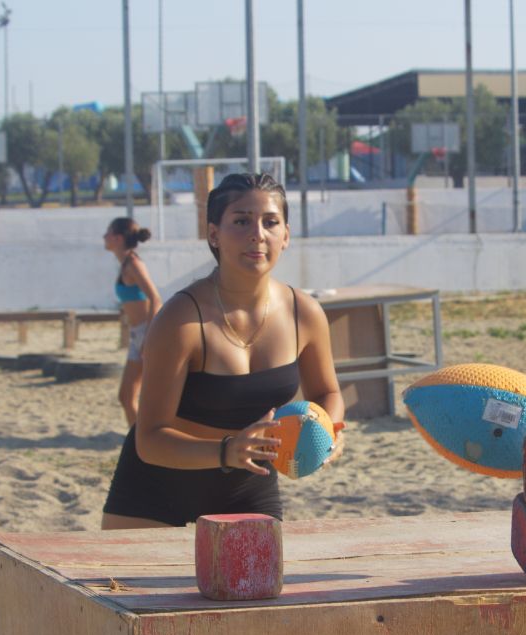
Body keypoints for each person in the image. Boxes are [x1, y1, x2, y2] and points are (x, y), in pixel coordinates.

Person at [101, 172, 345, 530]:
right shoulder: (180, 319)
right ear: (214, 234)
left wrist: (329, 428)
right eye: (242, 221)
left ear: (286, 235)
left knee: (266, 570)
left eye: (270, 222)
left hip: (249, 487)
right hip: (155, 489)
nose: (257, 234)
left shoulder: (304, 313)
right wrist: (227, 450)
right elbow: (149, 439)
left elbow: (327, 392)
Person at [103, 217, 162, 425]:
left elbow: (155, 299)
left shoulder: (134, 264)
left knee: (135, 397)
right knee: (126, 397)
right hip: (138, 335)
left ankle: (142, 440)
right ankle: (136, 441)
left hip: (147, 334)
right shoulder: (125, 264)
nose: (104, 237)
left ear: (118, 238)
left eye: (108, 232)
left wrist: (149, 338)